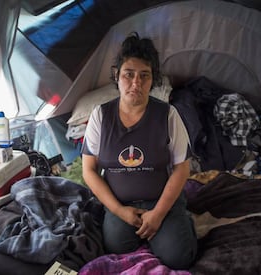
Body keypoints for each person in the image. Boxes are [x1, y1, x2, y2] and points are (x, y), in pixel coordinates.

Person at [81, 32, 197, 270]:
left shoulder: (167, 115)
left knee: (179, 257)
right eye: (128, 74)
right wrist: (118, 211)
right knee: (116, 246)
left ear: (153, 79)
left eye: (144, 76)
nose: (136, 83)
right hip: (119, 202)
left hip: (160, 200)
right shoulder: (100, 116)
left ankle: (180, 219)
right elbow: (89, 170)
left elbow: (181, 169)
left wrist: (159, 214)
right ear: (117, 75)